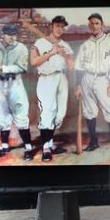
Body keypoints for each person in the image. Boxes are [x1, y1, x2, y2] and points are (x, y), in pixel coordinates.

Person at [0, 24, 33, 161]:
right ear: (2, 35)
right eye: (9, 34)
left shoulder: (21, 48)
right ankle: (4, 145)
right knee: (1, 117)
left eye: (14, 34)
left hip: (15, 84)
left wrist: (0, 66)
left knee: (21, 116)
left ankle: (28, 147)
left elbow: (21, 68)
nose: (12, 37)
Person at [74, 13, 110, 152]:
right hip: (87, 78)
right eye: (92, 24)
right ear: (89, 26)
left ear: (102, 24)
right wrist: (78, 85)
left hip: (103, 79)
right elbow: (79, 67)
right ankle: (93, 141)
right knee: (89, 111)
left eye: (97, 23)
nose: (94, 26)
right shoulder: (85, 45)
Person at [30, 15, 74, 162]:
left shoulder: (65, 45)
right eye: (57, 26)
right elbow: (34, 62)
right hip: (46, 78)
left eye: (62, 26)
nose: (60, 29)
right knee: (47, 113)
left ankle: (50, 142)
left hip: (62, 78)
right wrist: (51, 52)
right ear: (51, 26)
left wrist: (65, 55)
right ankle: (47, 148)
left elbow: (71, 65)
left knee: (60, 114)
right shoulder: (40, 42)